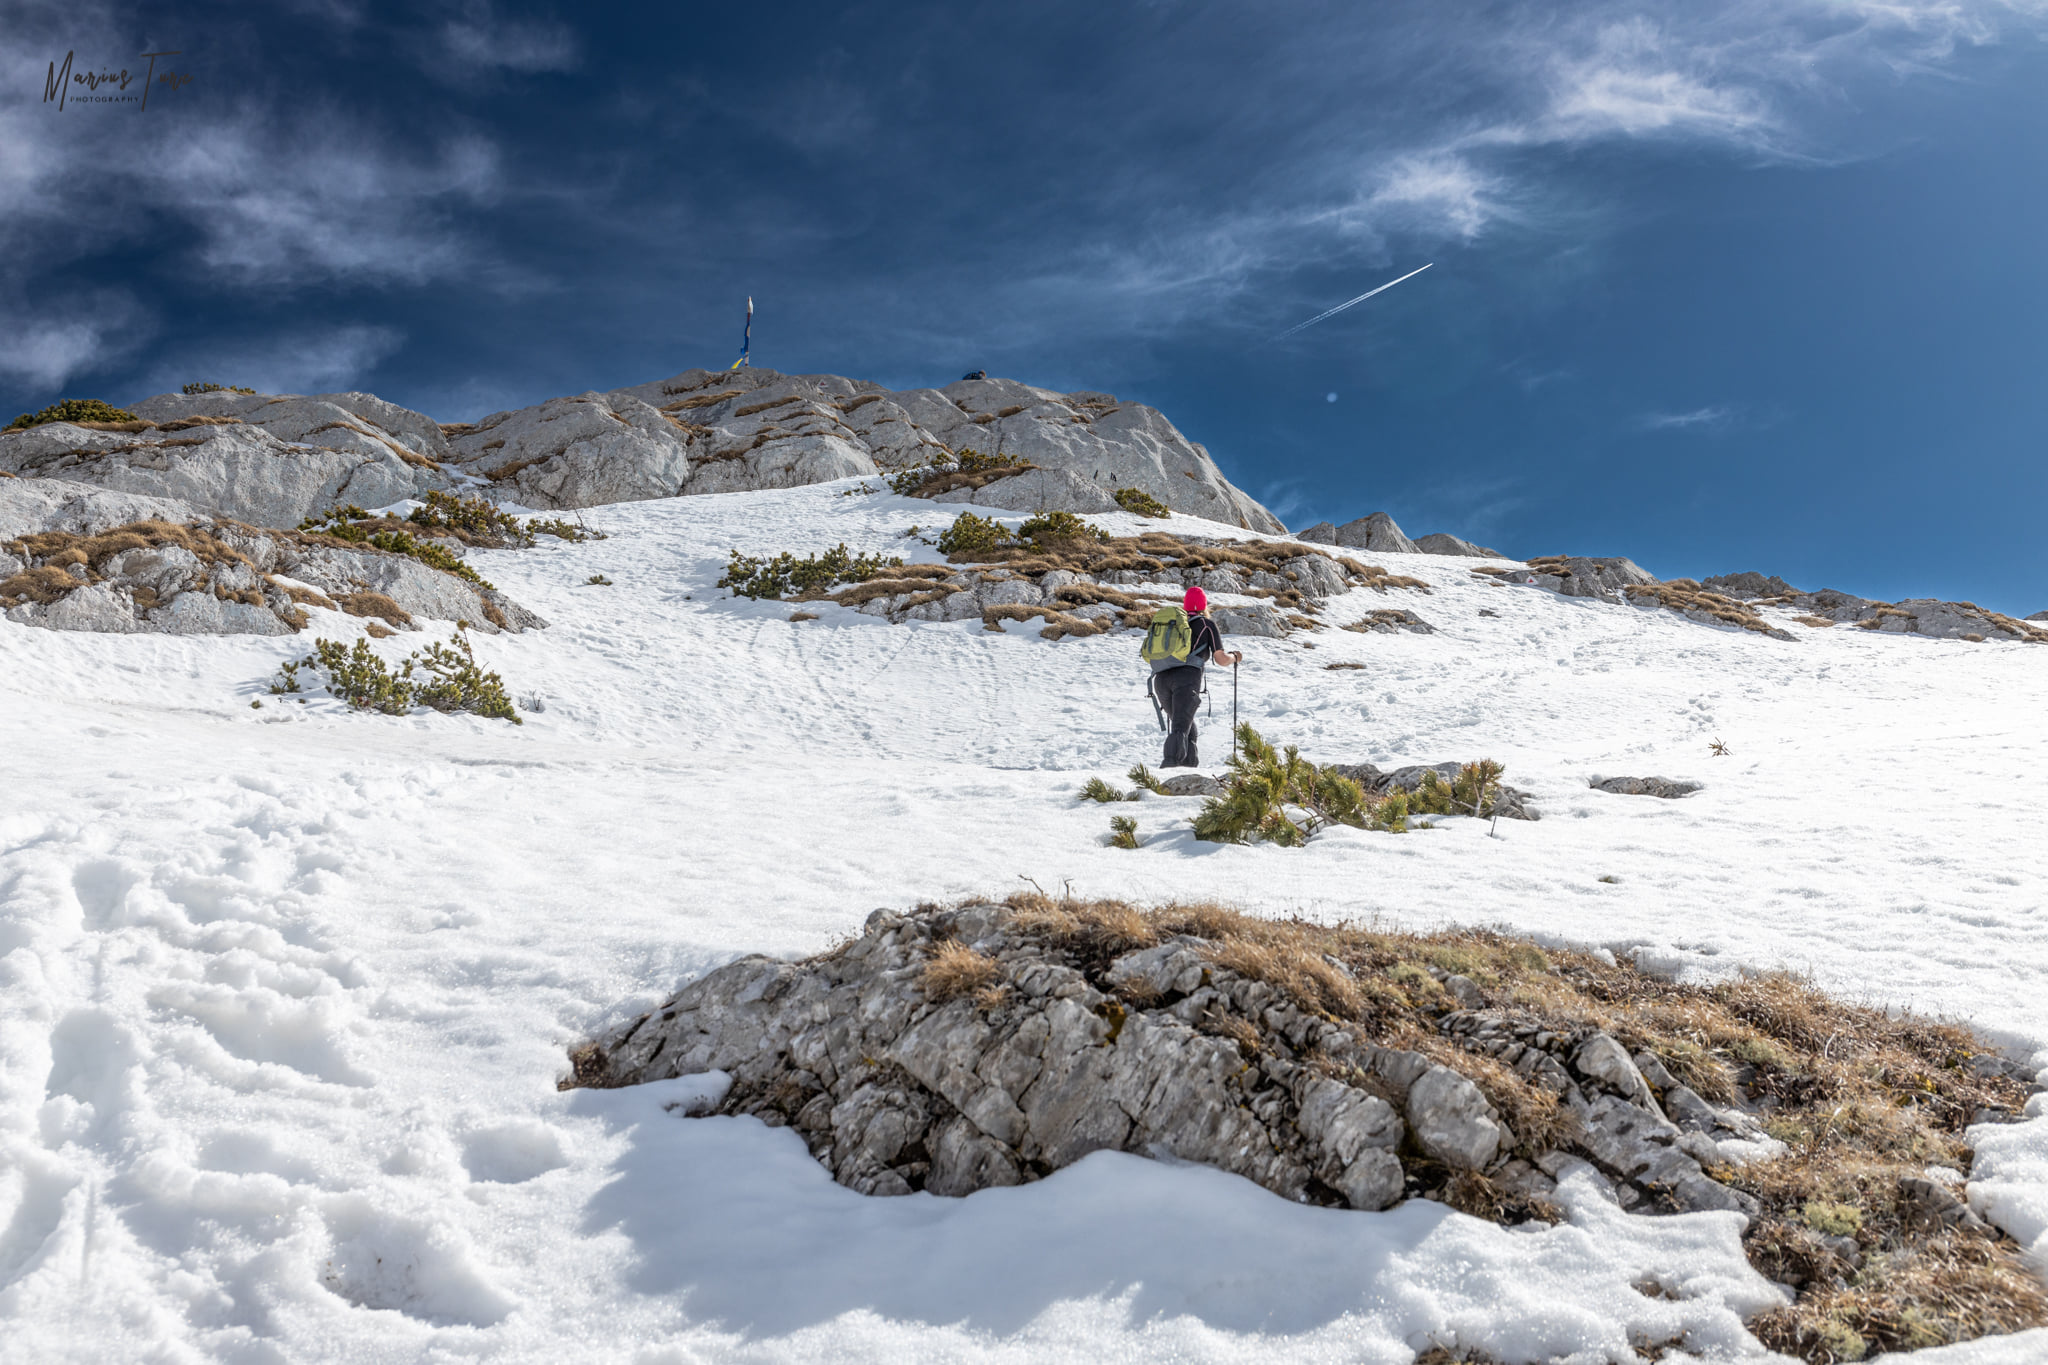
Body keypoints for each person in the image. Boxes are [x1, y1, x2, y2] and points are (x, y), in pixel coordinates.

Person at [1151, 586, 1240, 768]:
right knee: (1180, 728)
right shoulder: (1206, 624)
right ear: (1203, 606)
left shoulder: (1172, 623)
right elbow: (1221, 659)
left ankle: (1190, 768)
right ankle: (1169, 769)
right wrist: (1235, 657)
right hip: (1186, 679)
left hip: (1160, 679)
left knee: (1186, 726)